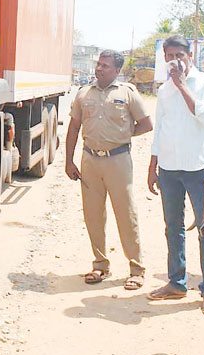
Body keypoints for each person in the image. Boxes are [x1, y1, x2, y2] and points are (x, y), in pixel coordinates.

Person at [146, 35, 204, 316]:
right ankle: (176, 282)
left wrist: (181, 84)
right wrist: (152, 164)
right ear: (164, 57)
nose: (175, 60)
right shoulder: (164, 89)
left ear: (191, 54)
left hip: (199, 168)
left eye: (180, 54)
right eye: (169, 56)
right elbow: (160, 128)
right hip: (168, 167)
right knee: (173, 227)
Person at [65, 50, 153, 290]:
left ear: (117, 70)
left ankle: (136, 269)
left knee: (126, 214)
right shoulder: (84, 94)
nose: (99, 69)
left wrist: (124, 135)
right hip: (90, 160)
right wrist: (68, 161)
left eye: (105, 66)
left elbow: (146, 124)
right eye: (98, 65)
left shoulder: (127, 93)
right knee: (93, 215)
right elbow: (73, 127)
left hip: (118, 160)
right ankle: (100, 265)